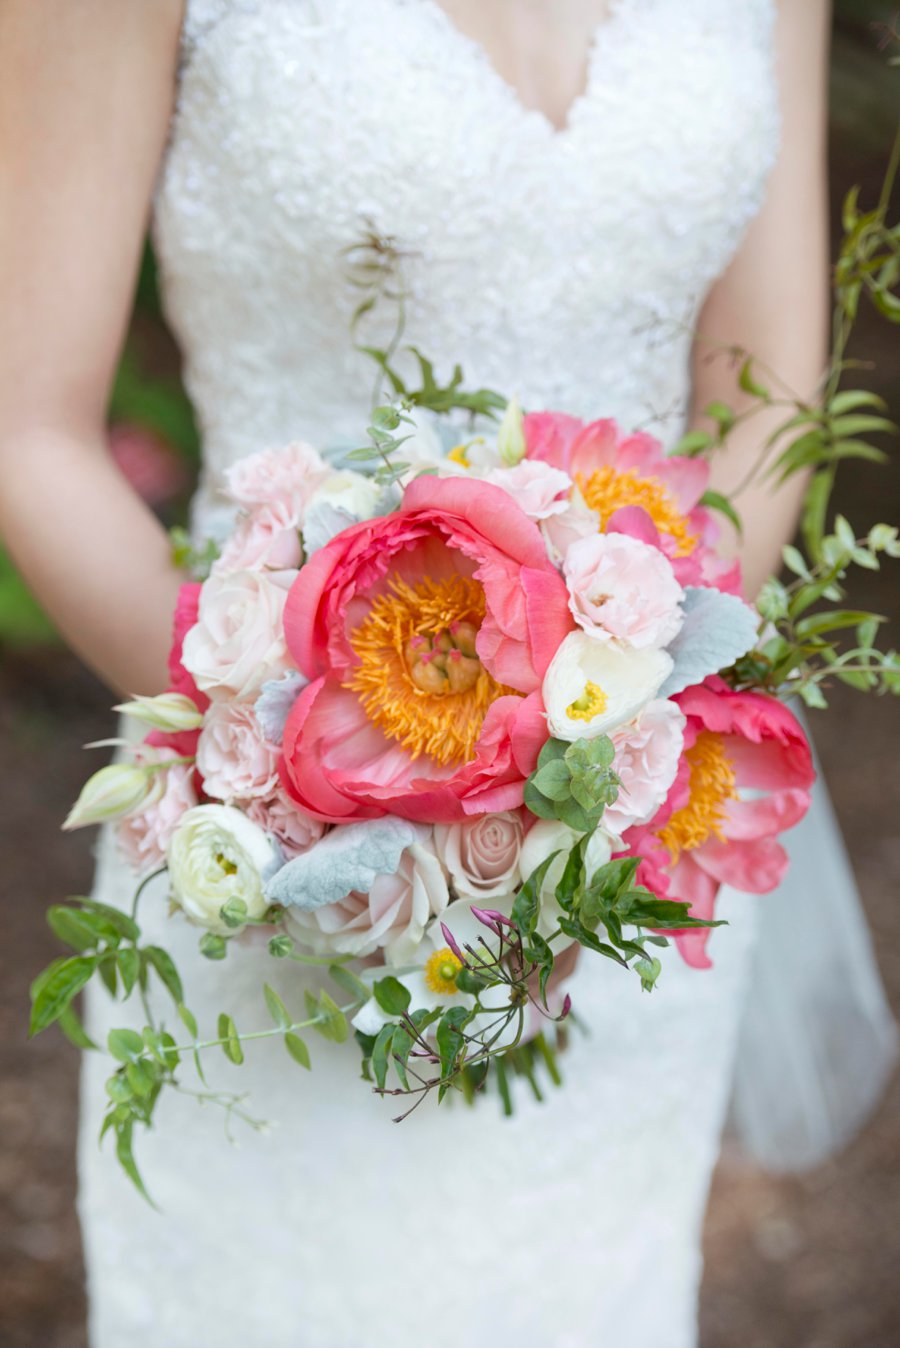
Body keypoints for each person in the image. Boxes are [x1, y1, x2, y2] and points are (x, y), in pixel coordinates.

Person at [2, 2, 892, 1345]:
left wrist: (609, 751)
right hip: (275, 868)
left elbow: (762, 398)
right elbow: (28, 425)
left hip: (614, 865)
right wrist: (322, 760)